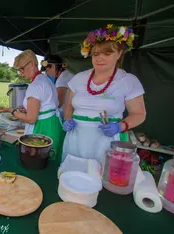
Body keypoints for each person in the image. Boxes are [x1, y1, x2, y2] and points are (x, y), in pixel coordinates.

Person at [62, 24, 146, 164]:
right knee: (73, 176)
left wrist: (121, 126)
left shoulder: (128, 81)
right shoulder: (78, 78)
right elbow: (69, 106)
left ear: (119, 54)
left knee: (102, 177)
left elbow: (139, 114)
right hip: (76, 139)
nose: (100, 58)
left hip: (106, 141)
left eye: (107, 54)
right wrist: (68, 119)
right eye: (96, 54)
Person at [0, 49, 65, 163]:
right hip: (53, 123)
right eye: (19, 70)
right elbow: (46, 104)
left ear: (32, 64)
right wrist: (28, 108)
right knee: (50, 161)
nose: (21, 73)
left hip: (43, 128)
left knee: (39, 161)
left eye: (22, 69)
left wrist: (11, 110)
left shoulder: (36, 85)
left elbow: (31, 119)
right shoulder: (44, 78)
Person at [41, 53, 74, 122]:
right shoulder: (65, 74)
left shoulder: (63, 78)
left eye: (47, 70)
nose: (47, 73)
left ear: (53, 66)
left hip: (69, 116)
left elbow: (58, 103)